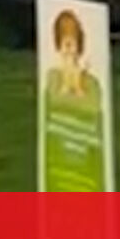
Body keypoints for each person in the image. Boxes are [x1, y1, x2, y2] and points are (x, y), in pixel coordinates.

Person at [42, 10, 105, 191]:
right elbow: (53, 102)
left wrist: (78, 86)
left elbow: (93, 108)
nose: (68, 48)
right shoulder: (52, 77)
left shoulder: (91, 82)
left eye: (72, 42)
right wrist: (66, 82)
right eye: (64, 42)